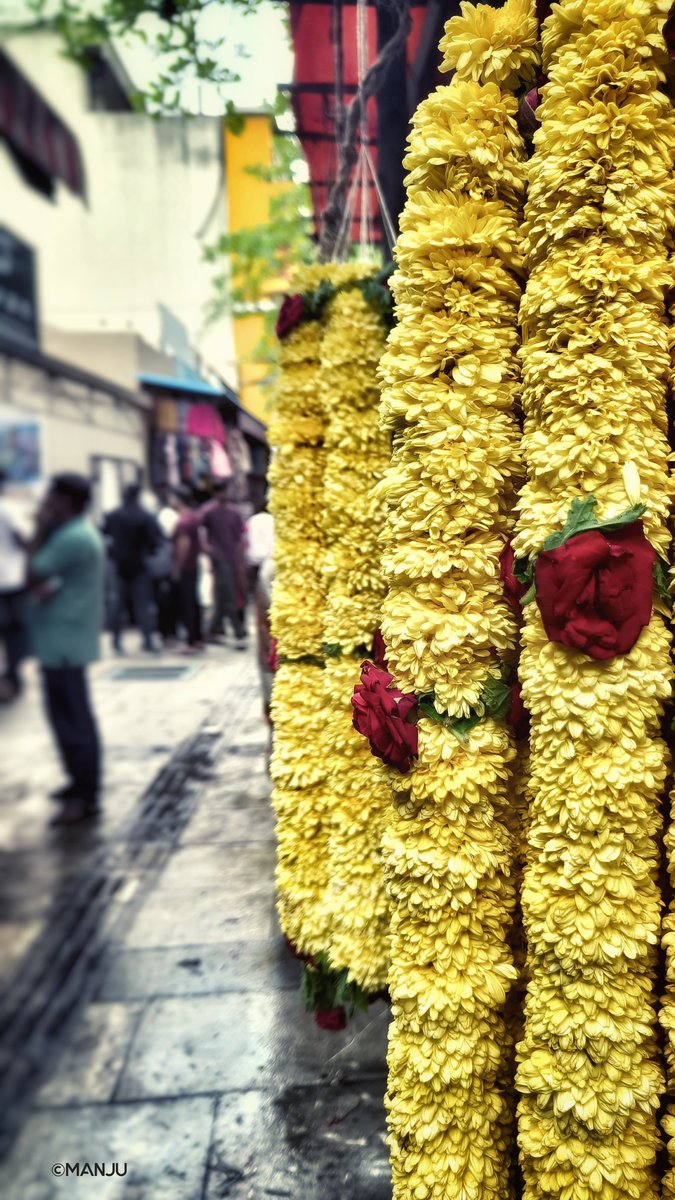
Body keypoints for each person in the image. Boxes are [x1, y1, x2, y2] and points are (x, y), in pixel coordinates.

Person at [29, 473, 105, 825]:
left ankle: (84, 794)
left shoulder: (71, 537)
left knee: (71, 719)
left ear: (67, 501)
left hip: (64, 640)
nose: (48, 502)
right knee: (69, 716)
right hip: (64, 638)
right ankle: (79, 784)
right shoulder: (79, 533)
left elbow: (34, 569)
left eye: (53, 496)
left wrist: (39, 526)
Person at [103, 482, 161, 653]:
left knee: (117, 604)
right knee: (143, 604)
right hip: (139, 565)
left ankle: (116, 640)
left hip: (118, 564)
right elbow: (155, 541)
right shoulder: (145, 516)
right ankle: (148, 640)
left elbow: (104, 535)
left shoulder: (113, 515)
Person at [199, 481, 246, 646]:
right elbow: (200, 531)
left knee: (223, 594)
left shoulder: (234, 512)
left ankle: (213, 629)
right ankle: (238, 630)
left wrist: (241, 558)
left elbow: (240, 537)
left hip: (232, 557)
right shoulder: (208, 511)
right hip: (219, 558)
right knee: (228, 595)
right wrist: (207, 548)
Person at [0, 470, 28, 701]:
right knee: (13, 633)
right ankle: (12, 678)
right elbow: (23, 540)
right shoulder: (8, 509)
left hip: (9, 580)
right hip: (10, 579)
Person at [171, 486, 203, 653]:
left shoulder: (184, 520)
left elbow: (184, 544)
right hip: (194, 564)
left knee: (187, 603)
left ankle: (191, 641)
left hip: (186, 566)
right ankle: (197, 638)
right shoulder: (194, 517)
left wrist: (177, 565)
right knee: (194, 601)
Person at [245, 494, 274, 593]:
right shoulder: (273, 519)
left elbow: (246, 539)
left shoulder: (251, 520)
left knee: (258, 592)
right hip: (271, 559)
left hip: (255, 561)